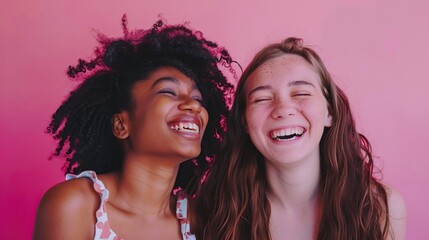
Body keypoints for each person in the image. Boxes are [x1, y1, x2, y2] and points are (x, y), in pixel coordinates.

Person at [33, 15, 235, 240]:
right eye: (168, 91)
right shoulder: (75, 206)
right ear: (121, 125)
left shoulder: (201, 220)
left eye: (197, 99)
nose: (193, 106)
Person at [191, 37, 406, 239]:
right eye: (262, 99)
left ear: (329, 113)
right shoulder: (209, 212)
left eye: (301, 93)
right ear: (245, 122)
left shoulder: (383, 208)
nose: (283, 110)